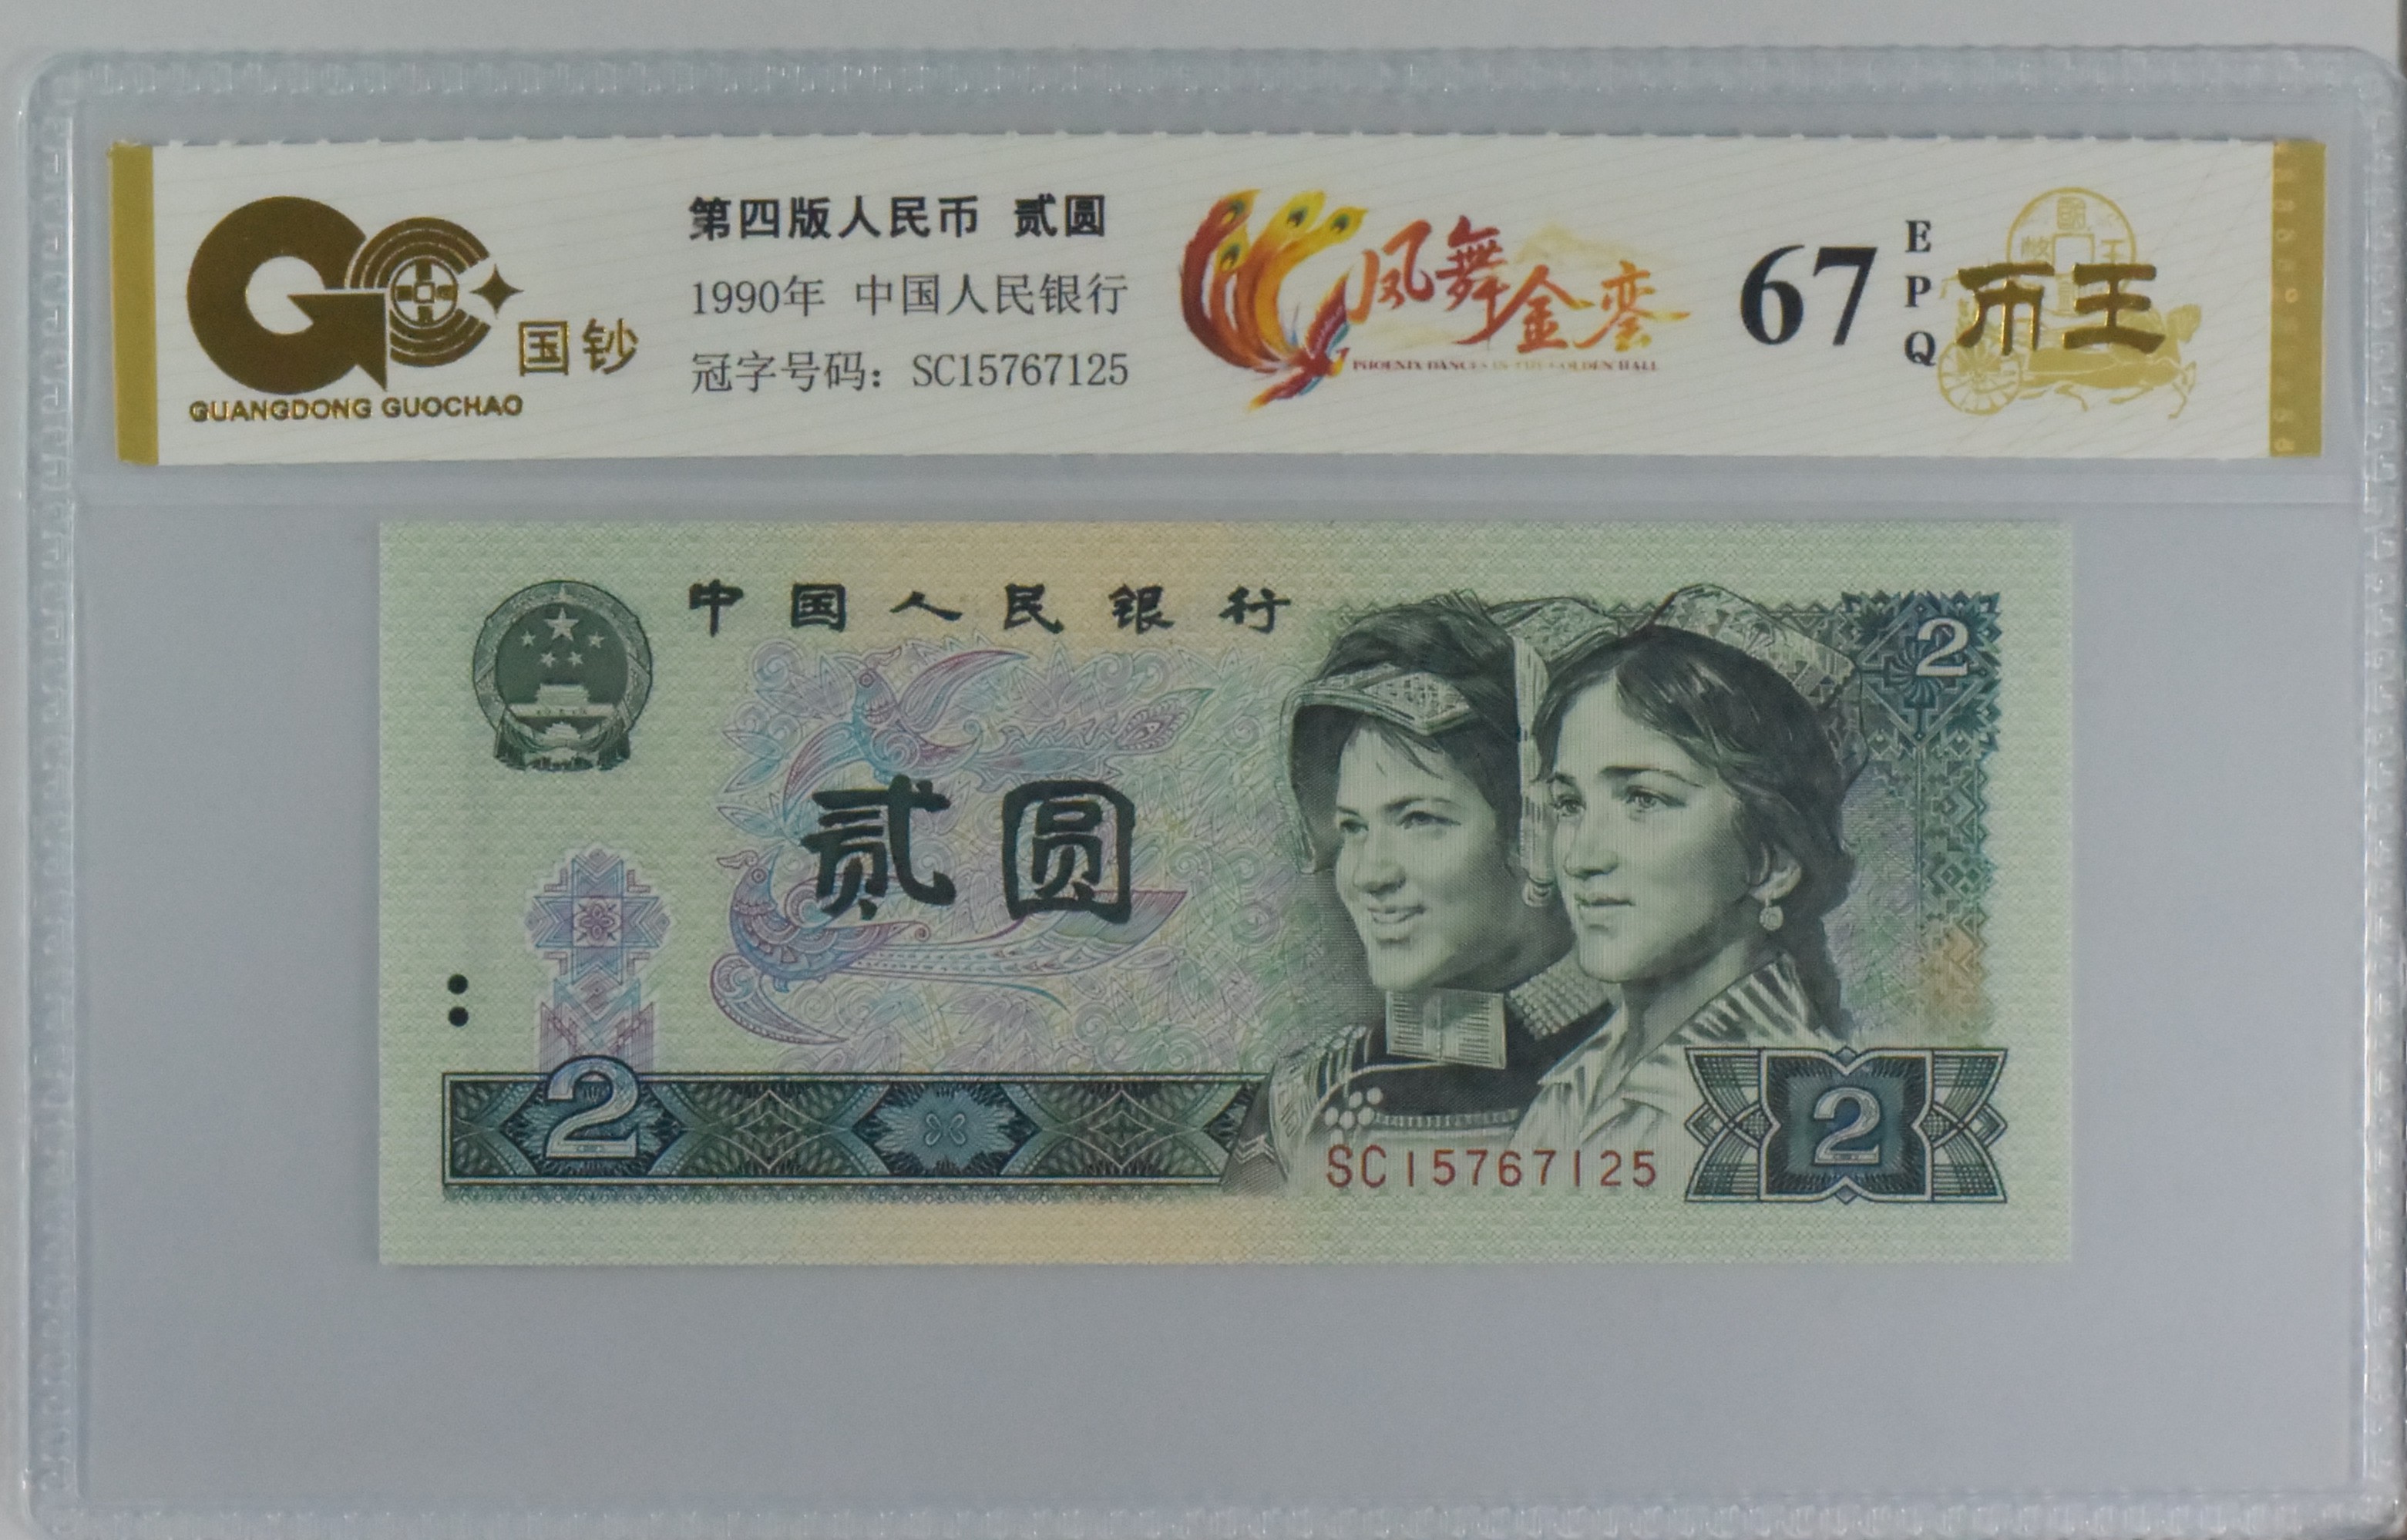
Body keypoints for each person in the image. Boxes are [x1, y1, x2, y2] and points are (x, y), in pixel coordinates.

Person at [1220, 593, 1618, 1191]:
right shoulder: (1306, 1098)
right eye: (1353, 828)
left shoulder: (1658, 1072)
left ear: (1538, 831)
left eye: (1418, 819)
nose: (1368, 875)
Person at [1510, 585, 1859, 1158]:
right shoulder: (1574, 1085)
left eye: (1643, 799)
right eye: (1569, 805)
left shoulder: (1792, 1114)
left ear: (1772, 862)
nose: (1578, 859)